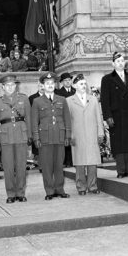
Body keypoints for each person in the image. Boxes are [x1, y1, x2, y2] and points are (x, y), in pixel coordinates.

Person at [100, 52, 128, 178]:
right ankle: (121, 170)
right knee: (119, 144)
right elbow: (104, 100)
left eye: (122, 61)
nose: (120, 63)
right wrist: (108, 117)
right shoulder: (107, 79)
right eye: (117, 61)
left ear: (125, 63)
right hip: (116, 116)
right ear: (113, 64)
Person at [0, 75, 32, 203]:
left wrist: (30, 135)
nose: (10, 87)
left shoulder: (24, 99)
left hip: (21, 135)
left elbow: (29, 119)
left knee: (21, 166)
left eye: (12, 85)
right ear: (2, 87)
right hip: (5, 137)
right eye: (7, 85)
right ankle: (10, 194)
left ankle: (20, 192)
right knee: (8, 167)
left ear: (16, 86)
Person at [31, 72, 72, 200]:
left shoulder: (62, 100)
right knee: (47, 166)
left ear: (55, 84)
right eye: (47, 83)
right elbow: (34, 122)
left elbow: (67, 119)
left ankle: (59, 189)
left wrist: (68, 136)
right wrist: (36, 138)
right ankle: (49, 190)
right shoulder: (37, 101)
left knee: (59, 164)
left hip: (59, 136)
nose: (50, 85)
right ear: (43, 85)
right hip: (45, 138)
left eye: (52, 83)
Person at [67, 74, 104, 195]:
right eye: (80, 84)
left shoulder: (93, 99)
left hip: (92, 134)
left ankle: (93, 186)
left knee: (92, 162)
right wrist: (69, 136)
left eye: (84, 84)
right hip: (77, 136)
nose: (83, 86)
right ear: (74, 86)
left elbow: (99, 118)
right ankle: (81, 187)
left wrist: (100, 133)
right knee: (80, 163)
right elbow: (68, 120)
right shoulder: (69, 101)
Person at [55, 72, 75, 167]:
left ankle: (75, 160)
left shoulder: (75, 91)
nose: (68, 82)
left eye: (69, 80)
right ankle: (67, 161)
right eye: (65, 80)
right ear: (62, 82)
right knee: (66, 140)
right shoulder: (58, 93)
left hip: (75, 118)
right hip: (64, 119)